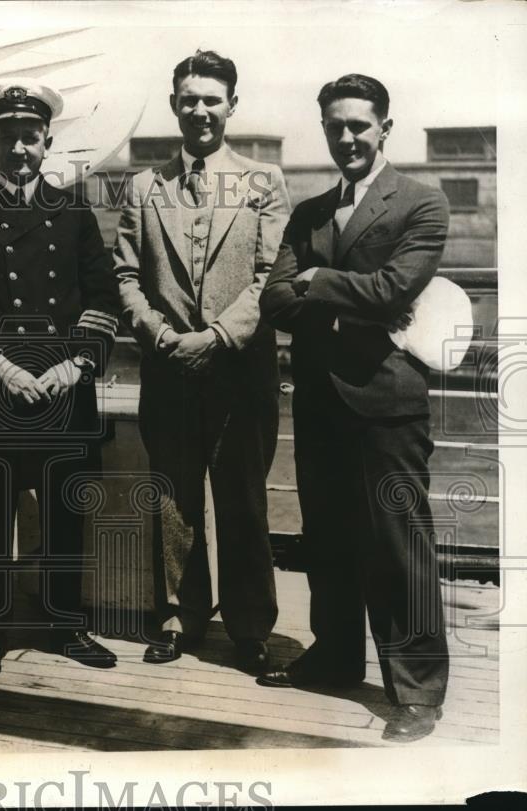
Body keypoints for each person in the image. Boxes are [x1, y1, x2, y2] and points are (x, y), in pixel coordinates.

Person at [257, 74, 450, 743]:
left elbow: (398, 285)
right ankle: (336, 656)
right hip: (318, 402)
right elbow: (273, 300)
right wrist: (346, 292)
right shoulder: (308, 214)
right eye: (335, 126)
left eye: (358, 126)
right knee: (329, 541)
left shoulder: (422, 204)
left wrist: (318, 280)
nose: (346, 138)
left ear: (384, 129)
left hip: (388, 403)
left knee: (402, 548)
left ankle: (418, 690)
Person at [0, 78, 121, 680]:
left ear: (47, 144)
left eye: (30, 137)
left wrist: (74, 367)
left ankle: (67, 626)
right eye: (8, 136)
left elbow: (103, 299)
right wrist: (4, 368)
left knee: (65, 514)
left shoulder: (76, 215)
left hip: (64, 393)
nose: (19, 149)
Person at [113, 51, 289, 674]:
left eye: (212, 99)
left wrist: (216, 336)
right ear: (174, 106)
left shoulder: (264, 183)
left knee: (243, 499)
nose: (200, 110)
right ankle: (178, 618)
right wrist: (160, 336)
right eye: (189, 99)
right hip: (168, 370)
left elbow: (271, 277)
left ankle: (249, 629)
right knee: (175, 497)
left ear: (232, 106)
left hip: (240, 373)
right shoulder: (142, 186)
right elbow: (126, 276)